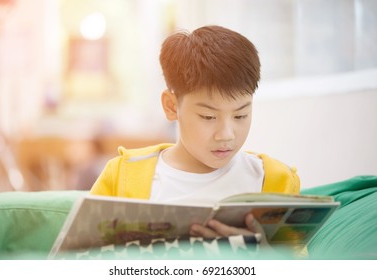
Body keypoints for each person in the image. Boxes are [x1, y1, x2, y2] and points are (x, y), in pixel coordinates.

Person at [90, 25, 300, 244]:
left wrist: (266, 257)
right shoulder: (124, 175)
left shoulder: (275, 181)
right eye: (208, 117)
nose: (226, 135)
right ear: (171, 106)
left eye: (241, 115)